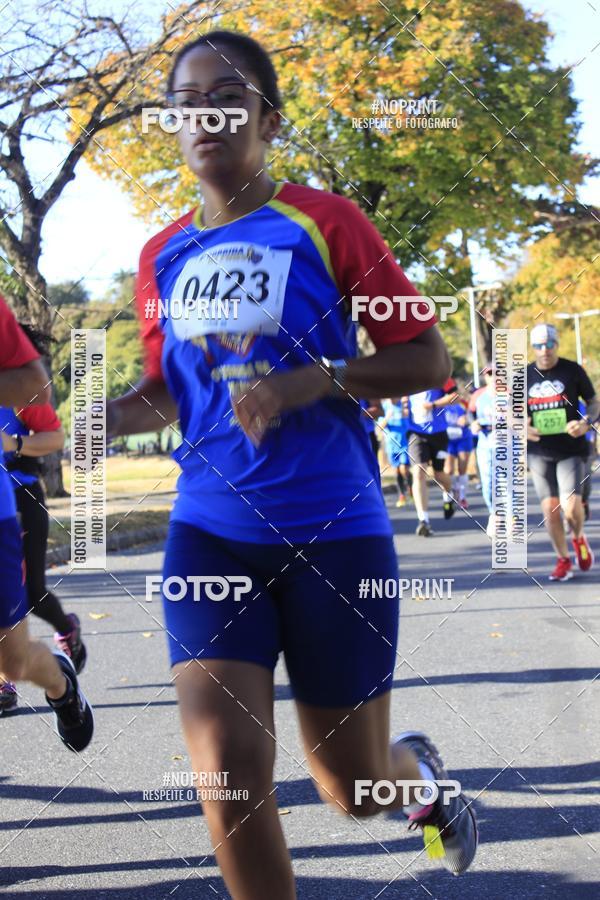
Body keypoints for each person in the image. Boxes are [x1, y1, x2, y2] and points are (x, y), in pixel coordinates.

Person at [105, 30, 477, 898]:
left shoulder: (329, 221)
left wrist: (313, 379)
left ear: (268, 119)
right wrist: (90, 420)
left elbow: (427, 359)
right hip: (211, 532)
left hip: (333, 533)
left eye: (227, 98)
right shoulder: (161, 256)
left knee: (351, 791)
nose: (206, 117)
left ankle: (421, 781)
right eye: (187, 103)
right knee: (226, 771)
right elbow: (166, 392)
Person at [0, 296, 93, 748]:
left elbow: (55, 437)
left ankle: (61, 646)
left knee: (31, 592)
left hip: (19, 495)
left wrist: (14, 445)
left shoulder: (19, 391)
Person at [527, 323, 598, 581]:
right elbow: (510, 413)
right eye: (538, 345)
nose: (544, 350)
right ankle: (563, 559)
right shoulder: (524, 376)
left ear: (556, 345)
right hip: (539, 451)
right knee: (550, 510)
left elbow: (594, 403)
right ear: (533, 348)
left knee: (570, 507)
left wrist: (585, 423)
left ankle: (577, 537)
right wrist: (521, 427)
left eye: (549, 344)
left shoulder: (572, 370)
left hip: (570, 448)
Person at [406, 377, 458, 535]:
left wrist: (433, 405)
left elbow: (455, 397)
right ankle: (423, 520)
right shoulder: (405, 375)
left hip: (438, 433)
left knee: (439, 474)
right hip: (416, 433)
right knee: (418, 472)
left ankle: (449, 494)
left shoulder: (438, 373)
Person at [470, 364, 496, 536]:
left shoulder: (512, 394)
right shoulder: (478, 395)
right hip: (485, 442)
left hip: (507, 442)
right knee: (487, 481)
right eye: (490, 374)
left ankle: (511, 517)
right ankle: (494, 514)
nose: (494, 377)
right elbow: (470, 414)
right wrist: (473, 424)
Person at [443, 392, 473, 509]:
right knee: (448, 470)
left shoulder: (463, 405)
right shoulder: (441, 407)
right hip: (448, 440)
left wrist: (466, 419)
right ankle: (455, 487)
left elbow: (472, 419)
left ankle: (462, 497)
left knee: (462, 469)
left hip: (463, 438)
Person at [380, 397, 412, 506]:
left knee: (404, 469)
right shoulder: (384, 406)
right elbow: (380, 426)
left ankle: (411, 490)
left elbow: (411, 421)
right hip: (391, 445)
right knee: (397, 471)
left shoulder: (404, 404)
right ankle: (402, 495)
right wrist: (388, 416)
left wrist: (405, 413)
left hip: (404, 443)